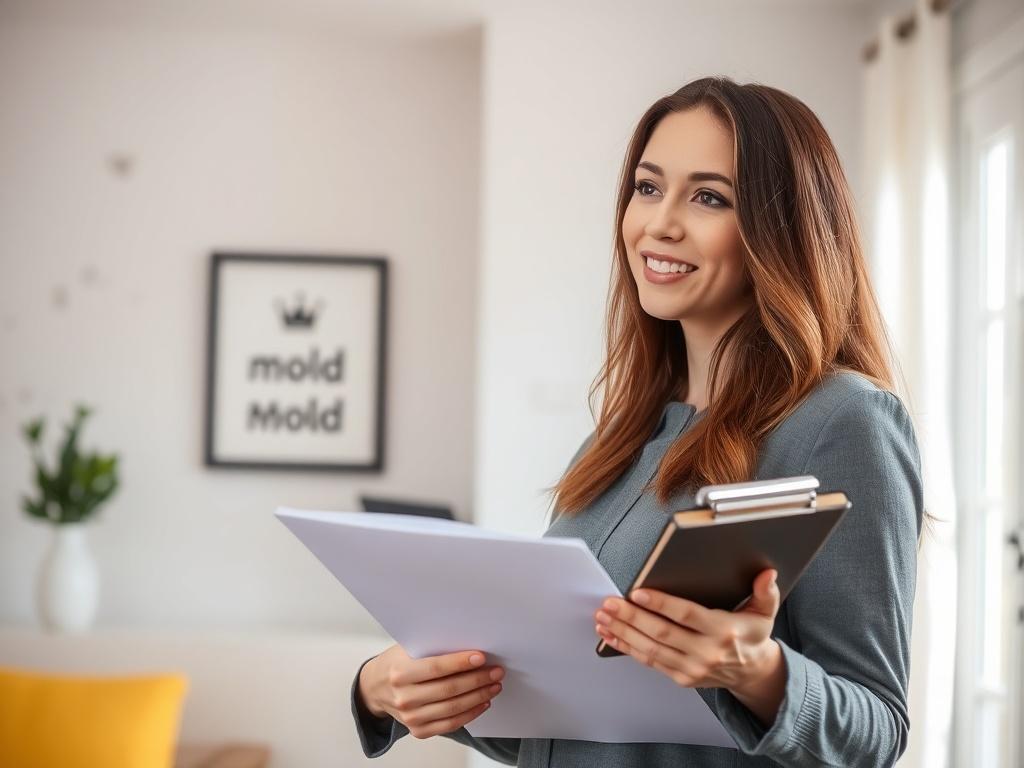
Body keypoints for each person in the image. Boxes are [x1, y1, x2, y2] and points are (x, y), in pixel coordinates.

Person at [349, 75, 924, 768]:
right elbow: (572, 727)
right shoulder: (621, 436)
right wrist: (395, 688)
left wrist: (760, 673)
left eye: (709, 197)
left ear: (782, 230)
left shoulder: (844, 419)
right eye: (648, 188)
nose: (659, 223)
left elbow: (877, 733)